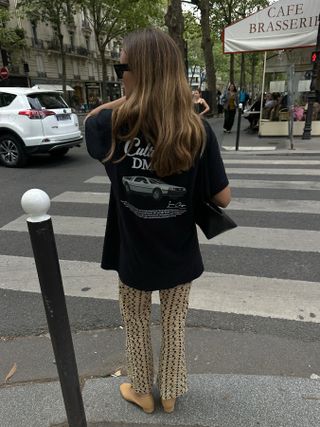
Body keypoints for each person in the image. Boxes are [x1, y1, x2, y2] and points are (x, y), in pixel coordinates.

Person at [85, 28, 231, 415]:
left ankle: (142, 392)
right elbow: (223, 197)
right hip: (178, 252)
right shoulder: (195, 130)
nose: (119, 74)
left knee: (133, 319)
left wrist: (133, 98)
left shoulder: (111, 126)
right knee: (174, 320)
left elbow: (91, 119)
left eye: (121, 68)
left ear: (137, 74)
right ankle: (170, 392)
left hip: (131, 250)